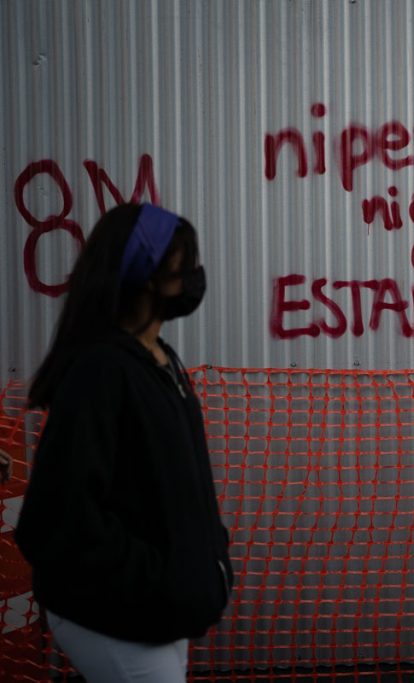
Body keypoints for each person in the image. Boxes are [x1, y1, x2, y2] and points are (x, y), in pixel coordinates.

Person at [14, 203, 233, 682]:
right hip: (118, 618)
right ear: (145, 275)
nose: (194, 274)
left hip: (163, 613)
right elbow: (53, 521)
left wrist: (209, 559)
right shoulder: (101, 371)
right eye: (182, 262)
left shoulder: (161, 362)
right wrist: (161, 580)